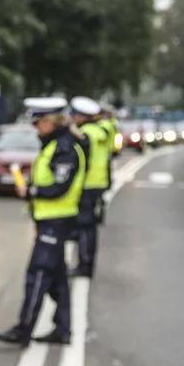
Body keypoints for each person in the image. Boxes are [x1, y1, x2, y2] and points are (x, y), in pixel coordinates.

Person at [0, 98, 86, 346]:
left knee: (38, 274)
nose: (36, 128)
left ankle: (23, 330)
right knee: (57, 280)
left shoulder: (65, 147)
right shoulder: (56, 144)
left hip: (55, 222)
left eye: (39, 122)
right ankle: (63, 329)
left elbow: (59, 187)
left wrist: (33, 191)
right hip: (49, 220)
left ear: (51, 122)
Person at [70, 96, 109, 277]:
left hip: (86, 185)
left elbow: (78, 160)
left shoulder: (84, 134)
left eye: (75, 115)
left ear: (81, 117)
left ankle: (84, 266)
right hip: (98, 182)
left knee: (85, 227)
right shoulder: (100, 131)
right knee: (89, 226)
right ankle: (86, 263)